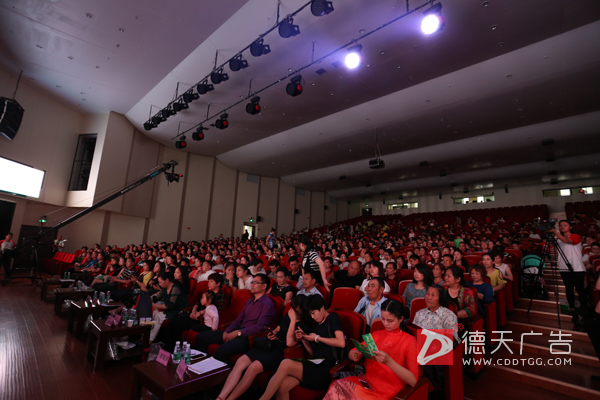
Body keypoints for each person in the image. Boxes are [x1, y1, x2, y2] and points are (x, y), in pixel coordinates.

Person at [215, 295, 311, 400]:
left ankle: (230, 399)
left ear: (302, 311)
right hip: (271, 344)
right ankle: (221, 397)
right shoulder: (289, 314)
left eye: (295, 309)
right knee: (240, 361)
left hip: (281, 352)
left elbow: (289, 343)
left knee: (253, 367)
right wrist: (271, 333)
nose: (291, 310)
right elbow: (278, 329)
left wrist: (293, 320)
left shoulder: (305, 325)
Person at [323, 299, 418, 400]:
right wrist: (354, 354)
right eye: (383, 319)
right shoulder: (376, 334)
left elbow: (413, 380)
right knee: (336, 387)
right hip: (367, 383)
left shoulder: (410, 341)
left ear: (401, 319)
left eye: (390, 321)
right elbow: (353, 351)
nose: (385, 323)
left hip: (388, 389)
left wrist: (389, 361)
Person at [258, 295, 345, 400]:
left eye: (313, 313)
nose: (313, 317)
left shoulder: (332, 317)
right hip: (315, 363)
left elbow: (341, 342)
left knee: (285, 363)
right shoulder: (317, 325)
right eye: (310, 314)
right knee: (282, 386)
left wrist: (317, 338)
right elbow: (313, 353)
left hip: (325, 370)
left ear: (322, 308)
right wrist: (304, 339)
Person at [193, 273, 275, 365]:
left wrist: (238, 333)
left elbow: (260, 327)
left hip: (247, 337)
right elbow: (238, 319)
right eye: (252, 282)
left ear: (264, 286)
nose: (252, 284)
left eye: (256, 282)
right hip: (236, 331)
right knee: (200, 337)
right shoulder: (249, 301)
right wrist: (227, 331)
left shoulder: (267, 304)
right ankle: (204, 365)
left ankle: (225, 371)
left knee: (222, 350)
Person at [551, 220, 588, 320]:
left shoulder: (575, 236)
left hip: (577, 267)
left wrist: (554, 232)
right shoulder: (559, 239)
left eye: (565, 225)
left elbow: (567, 241)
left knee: (580, 289)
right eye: (560, 225)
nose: (562, 227)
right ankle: (572, 307)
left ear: (570, 227)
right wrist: (554, 244)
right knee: (568, 288)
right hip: (564, 267)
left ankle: (583, 308)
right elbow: (558, 253)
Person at [149, 271, 187, 342]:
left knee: (158, 316)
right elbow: (156, 298)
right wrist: (148, 299)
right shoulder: (164, 289)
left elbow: (169, 306)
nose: (159, 284)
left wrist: (155, 305)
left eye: (160, 282)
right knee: (153, 313)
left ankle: (150, 339)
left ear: (167, 280)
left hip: (177, 311)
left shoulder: (175, 289)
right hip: (169, 310)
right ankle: (150, 336)